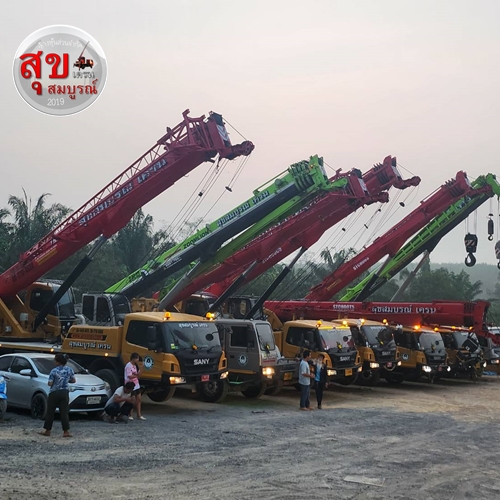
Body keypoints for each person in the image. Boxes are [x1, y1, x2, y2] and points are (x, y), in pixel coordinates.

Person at [40, 353, 76, 438]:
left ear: (58, 362)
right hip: (64, 392)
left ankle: (48, 430)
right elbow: (73, 380)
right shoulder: (69, 370)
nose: (54, 362)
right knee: (64, 412)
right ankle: (66, 431)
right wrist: (66, 381)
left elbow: (50, 383)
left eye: (55, 361)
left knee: (50, 412)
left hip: (54, 392)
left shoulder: (54, 371)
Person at [124, 352, 146, 421]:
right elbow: (129, 376)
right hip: (130, 384)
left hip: (136, 384)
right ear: (133, 359)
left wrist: (142, 368)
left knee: (139, 399)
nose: (138, 360)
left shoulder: (136, 365)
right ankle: (130, 414)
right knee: (132, 400)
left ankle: (139, 414)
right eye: (137, 358)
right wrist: (136, 376)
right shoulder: (128, 366)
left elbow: (139, 374)